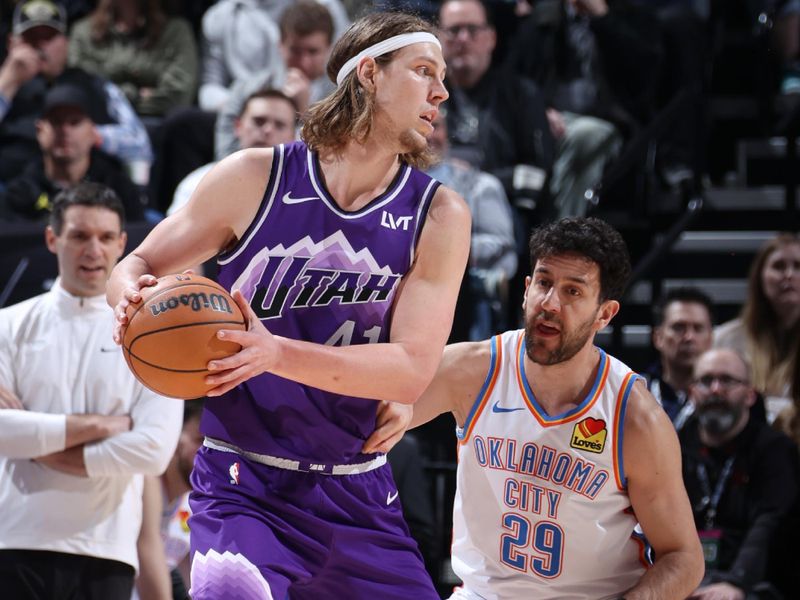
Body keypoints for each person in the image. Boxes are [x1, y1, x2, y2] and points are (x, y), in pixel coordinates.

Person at [107, 11, 471, 598]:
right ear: (370, 75)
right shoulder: (256, 176)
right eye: (425, 71)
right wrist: (129, 298)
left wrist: (274, 353)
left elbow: (411, 369)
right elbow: (137, 264)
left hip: (355, 490)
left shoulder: (440, 214)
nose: (441, 91)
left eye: (444, 76)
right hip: (241, 483)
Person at [381, 217, 704, 599]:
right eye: (545, 283)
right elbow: (361, 424)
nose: (551, 304)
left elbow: (683, 557)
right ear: (526, 289)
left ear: (605, 314)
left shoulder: (633, 416)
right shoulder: (471, 370)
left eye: (573, 292)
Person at [0, 182, 182, 599]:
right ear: (52, 239)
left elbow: (152, 451)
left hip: (107, 550)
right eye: (79, 236)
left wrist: (36, 443)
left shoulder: (153, 338)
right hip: (12, 539)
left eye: (104, 238)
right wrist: (102, 425)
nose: (93, 250)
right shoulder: (7, 326)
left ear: (122, 244)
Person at [681, 348, 799, 600]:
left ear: (750, 395)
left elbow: (769, 524)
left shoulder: (774, 450)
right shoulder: (674, 445)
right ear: (691, 393)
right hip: (685, 577)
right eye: (705, 381)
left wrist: (737, 584)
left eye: (727, 380)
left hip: (753, 582)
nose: (715, 389)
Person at [0, 0, 152, 184]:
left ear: (66, 43)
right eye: (30, 38)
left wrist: (91, 135)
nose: (40, 46)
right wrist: (7, 81)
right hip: (13, 196)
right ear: (11, 43)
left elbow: (140, 143)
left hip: (87, 191)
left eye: (49, 37)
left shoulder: (94, 84)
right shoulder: (4, 84)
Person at [427, 107, 516, 340]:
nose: (428, 134)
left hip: (460, 291)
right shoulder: (386, 183)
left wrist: (438, 249)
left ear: (447, 133)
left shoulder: (480, 185)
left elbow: (501, 242)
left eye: (436, 126)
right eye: (422, 124)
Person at [1, 82, 145, 221]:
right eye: (56, 122)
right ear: (39, 130)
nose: (65, 131)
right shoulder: (20, 194)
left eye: (75, 122)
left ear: (93, 131)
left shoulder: (119, 190)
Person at [214, 0, 336, 159]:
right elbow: (224, 154)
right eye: (295, 51)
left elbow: (331, 162)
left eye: (312, 52)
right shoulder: (246, 90)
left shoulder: (340, 96)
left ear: (329, 48)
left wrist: (305, 115)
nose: (303, 61)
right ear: (280, 45)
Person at [170, 88, 298, 216]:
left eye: (280, 125)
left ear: (293, 137)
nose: (268, 130)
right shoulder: (198, 182)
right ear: (238, 126)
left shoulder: (304, 191)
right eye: (259, 121)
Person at [714, 233, 800, 414]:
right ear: (759, 278)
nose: (789, 275)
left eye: (797, 266)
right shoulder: (726, 339)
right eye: (779, 266)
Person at [68, 0, 198, 118]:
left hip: (158, 125)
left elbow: (178, 96)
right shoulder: (83, 33)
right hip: (100, 124)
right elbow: (80, 89)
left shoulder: (176, 31)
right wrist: (132, 94)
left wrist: (114, 88)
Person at [644, 286, 715, 429]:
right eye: (679, 327)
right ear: (658, 337)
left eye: (698, 328)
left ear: (711, 339)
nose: (689, 337)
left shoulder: (723, 394)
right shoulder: (635, 389)